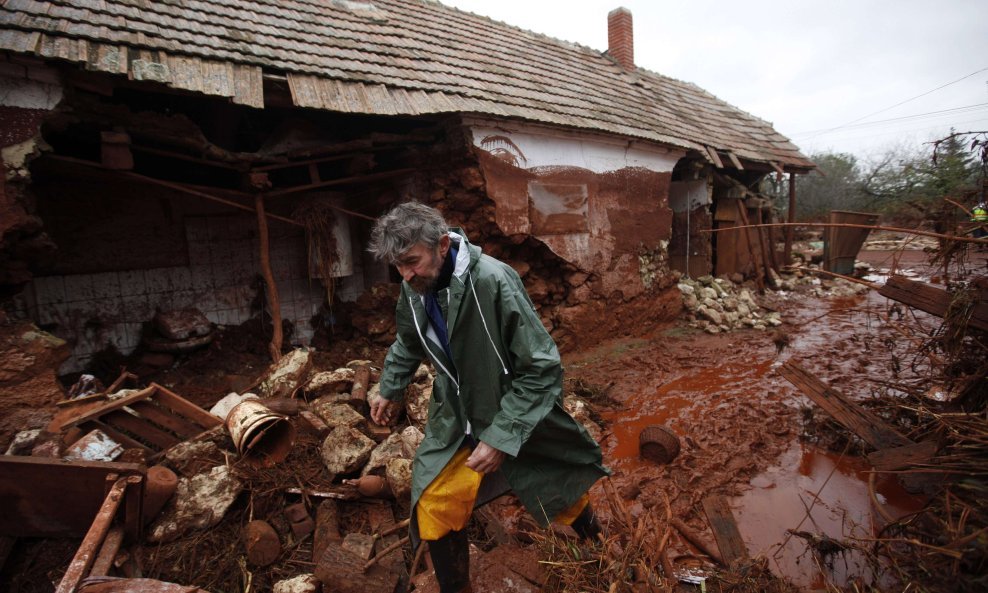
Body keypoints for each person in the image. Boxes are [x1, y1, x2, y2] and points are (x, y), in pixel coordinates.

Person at [368, 201, 609, 593]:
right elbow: (408, 340)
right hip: (457, 415)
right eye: (398, 266)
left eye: (412, 261)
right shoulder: (415, 287)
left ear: (442, 245)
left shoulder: (493, 281)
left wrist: (501, 436)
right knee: (433, 503)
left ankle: (600, 551)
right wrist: (390, 386)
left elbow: (542, 367)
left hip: (516, 410)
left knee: (556, 486)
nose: (406, 274)